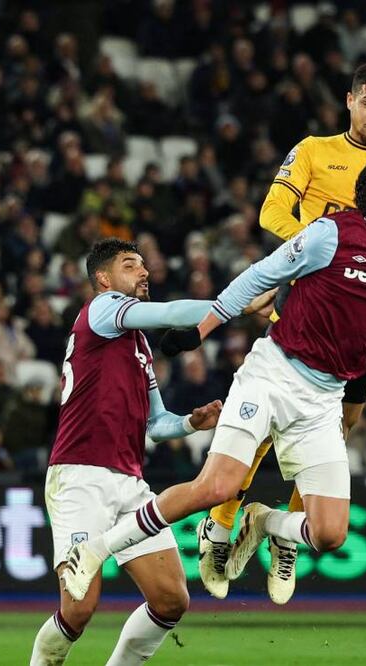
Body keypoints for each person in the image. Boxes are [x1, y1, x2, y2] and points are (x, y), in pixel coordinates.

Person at [60, 157, 366, 612]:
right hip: (273, 373)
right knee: (215, 486)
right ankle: (94, 552)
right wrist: (203, 331)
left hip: (324, 398)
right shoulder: (330, 233)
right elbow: (260, 276)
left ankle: (261, 521)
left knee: (331, 534)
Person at [193, 60, 366, 608]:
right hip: (310, 296)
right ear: (349, 101)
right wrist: (323, 253)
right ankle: (221, 518)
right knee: (261, 423)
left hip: (364, 310)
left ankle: (287, 537)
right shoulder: (311, 150)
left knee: (341, 426)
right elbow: (272, 210)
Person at [29, 238, 224, 666]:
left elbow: (156, 425)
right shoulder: (101, 309)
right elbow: (172, 314)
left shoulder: (136, 343)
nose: (144, 272)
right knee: (78, 608)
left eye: (143, 265)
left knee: (171, 599)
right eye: (130, 264)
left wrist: (191, 422)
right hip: (80, 476)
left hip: (129, 481)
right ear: (103, 279)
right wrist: (234, 302)